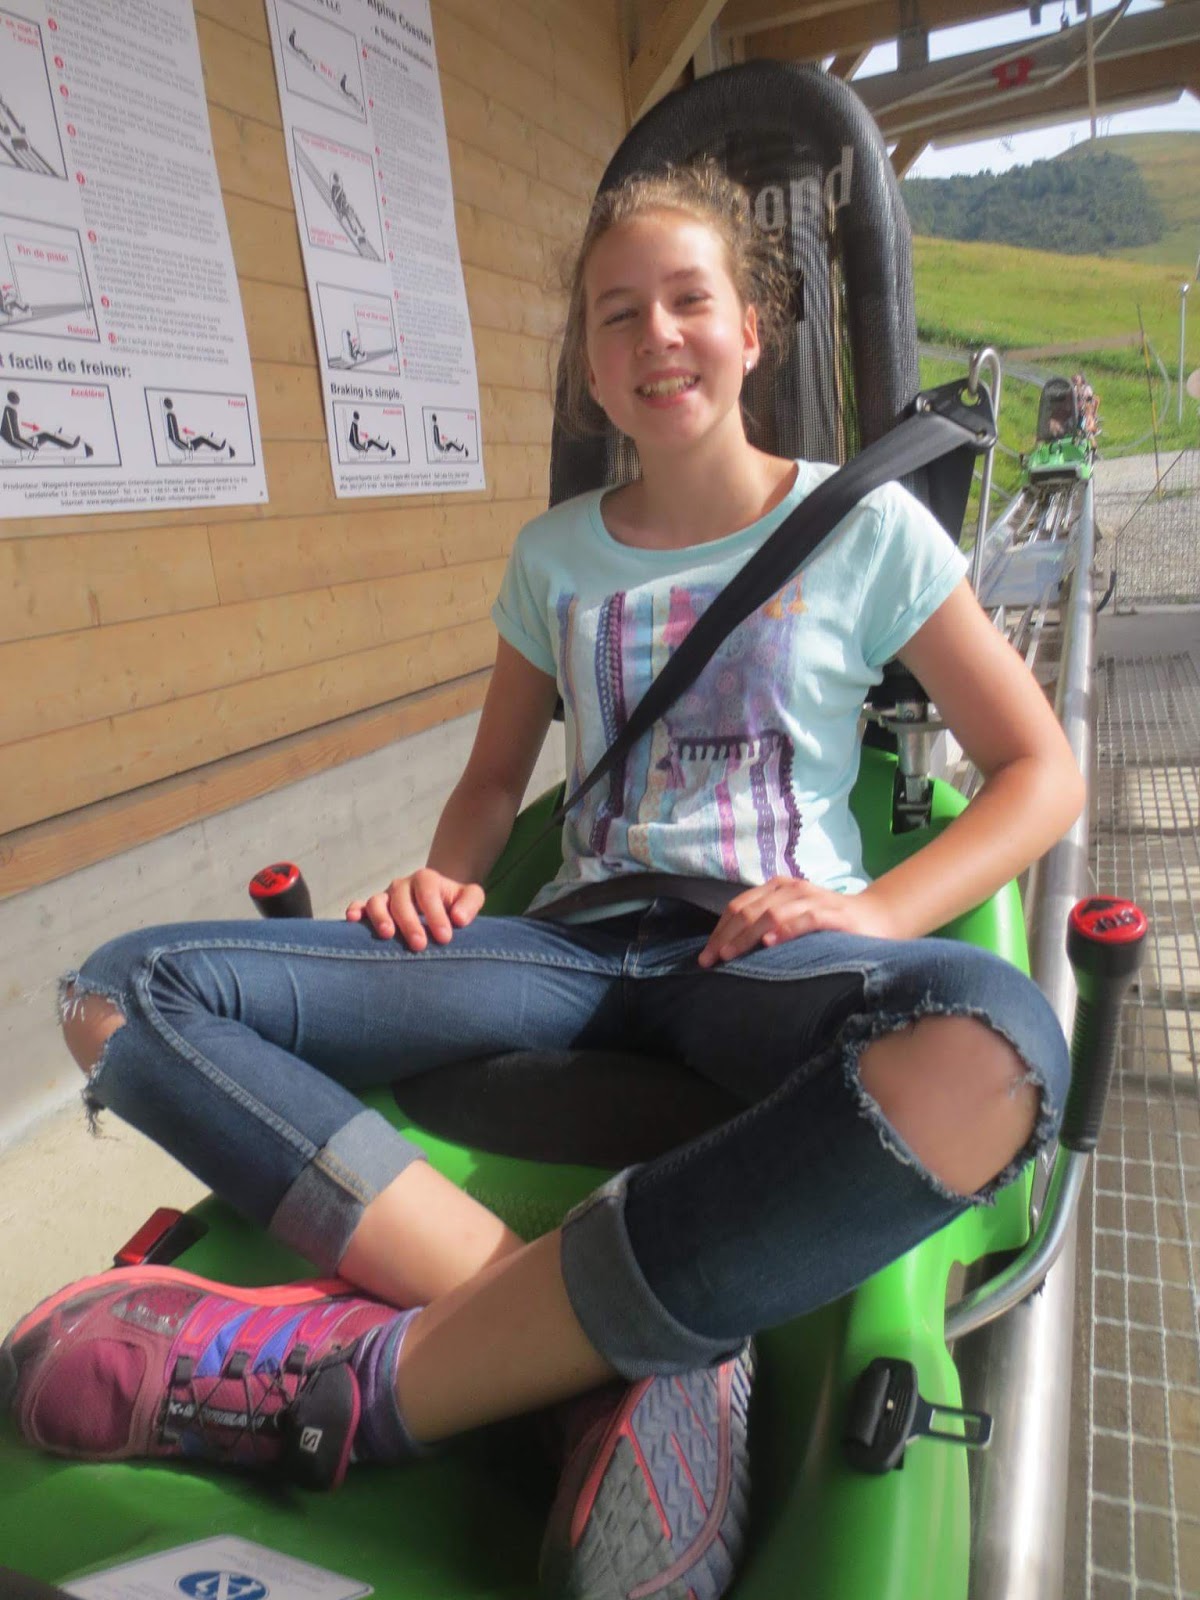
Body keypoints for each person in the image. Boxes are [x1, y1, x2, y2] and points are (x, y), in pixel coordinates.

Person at [2, 165, 1084, 1600]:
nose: (657, 337)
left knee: (1003, 1046)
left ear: (751, 327)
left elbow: (1039, 771)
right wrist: (445, 880)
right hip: (566, 949)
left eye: (689, 300)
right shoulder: (554, 555)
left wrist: (874, 913)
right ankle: (578, 1341)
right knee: (118, 995)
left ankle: (401, 1380)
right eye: (617, 314)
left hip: (758, 950)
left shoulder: (865, 528)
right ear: (589, 359)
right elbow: (493, 782)